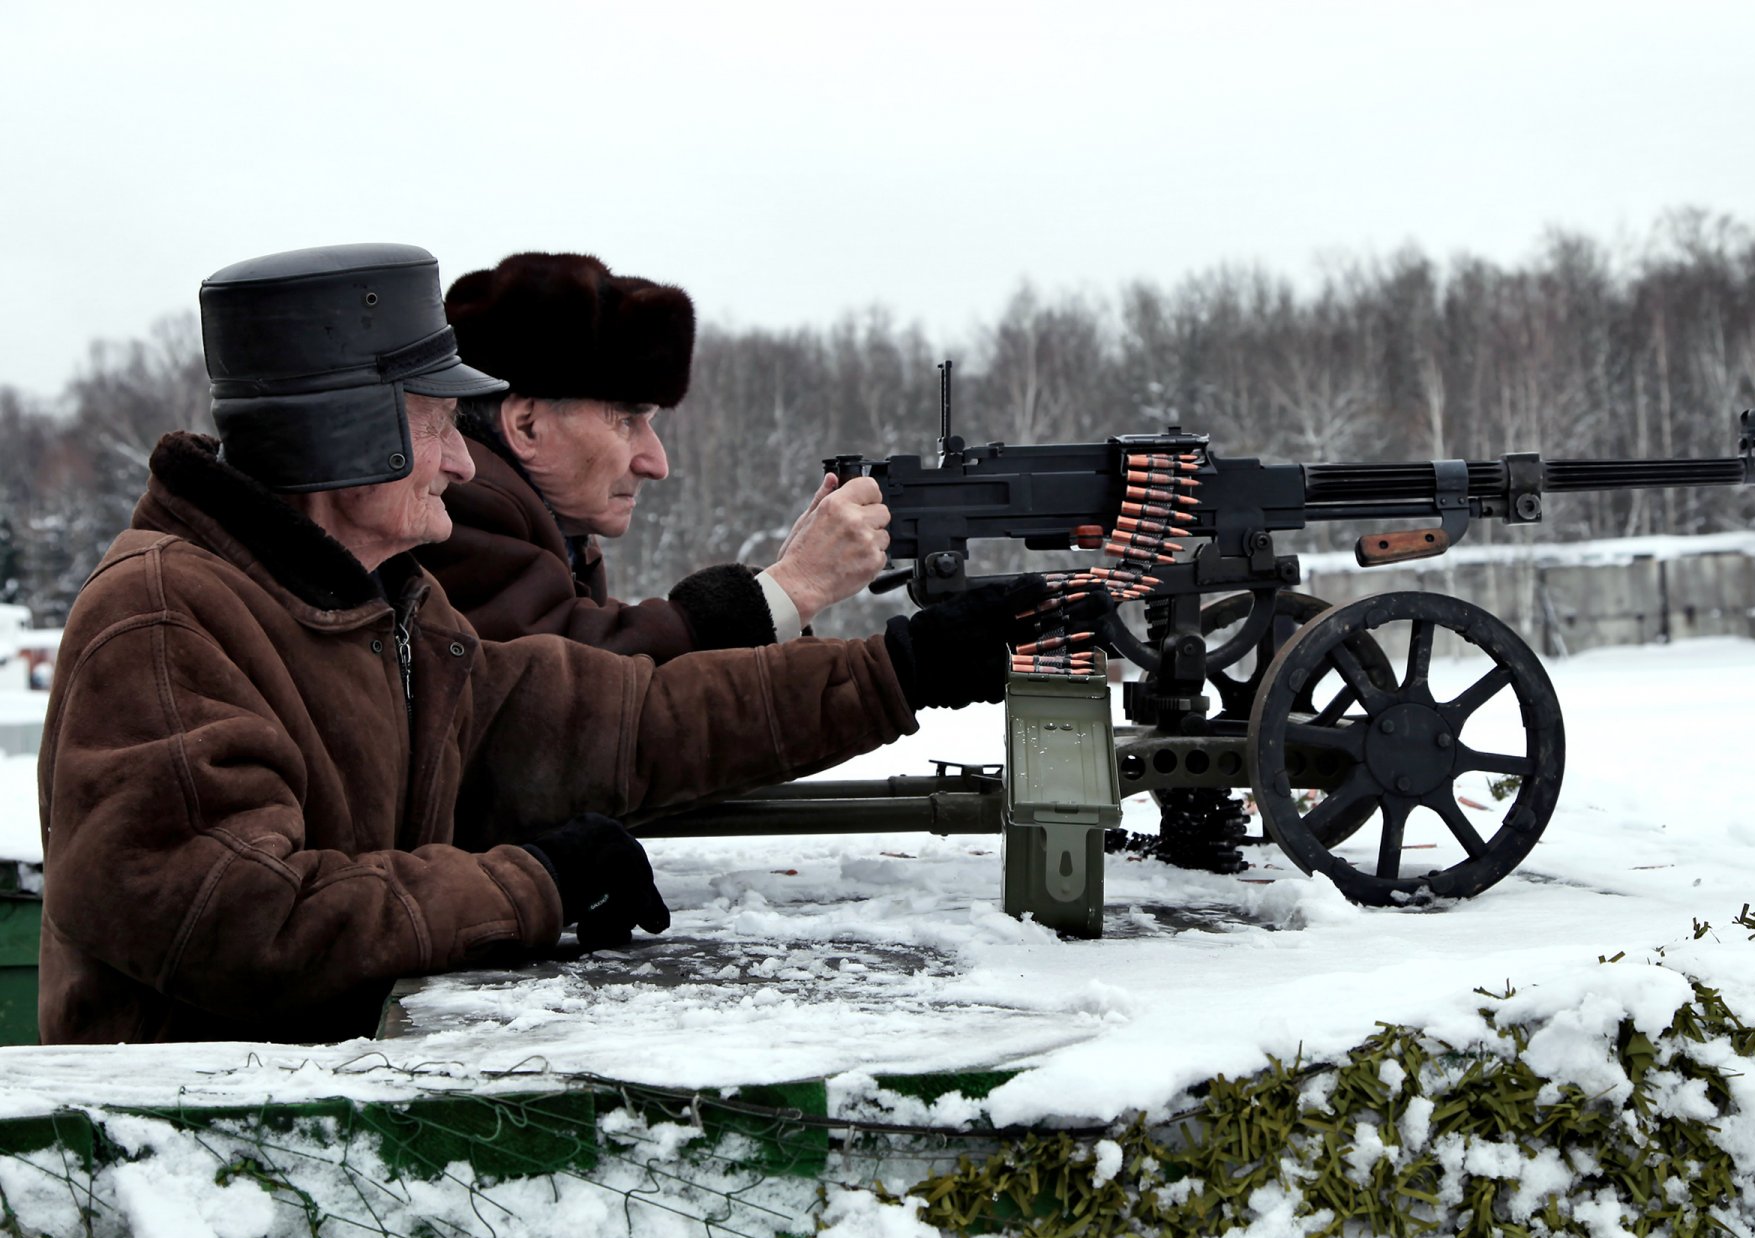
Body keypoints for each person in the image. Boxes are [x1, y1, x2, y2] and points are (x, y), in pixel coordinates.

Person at [35, 243, 1038, 1046]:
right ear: (345, 439)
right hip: (188, 1166)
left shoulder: (387, 609)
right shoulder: (167, 619)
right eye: (436, 425)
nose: (463, 461)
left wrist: (899, 669)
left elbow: (621, 721)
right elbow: (239, 917)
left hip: (318, 1108)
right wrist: (535, 883)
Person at [414, 250, 884, 657]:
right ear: (527, 425)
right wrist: (792, 587)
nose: (656, 464)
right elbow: (603, 701)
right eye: (626, 420)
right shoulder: (455, 517)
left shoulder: (550, 529)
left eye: (650, 423)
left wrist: (786, 587)